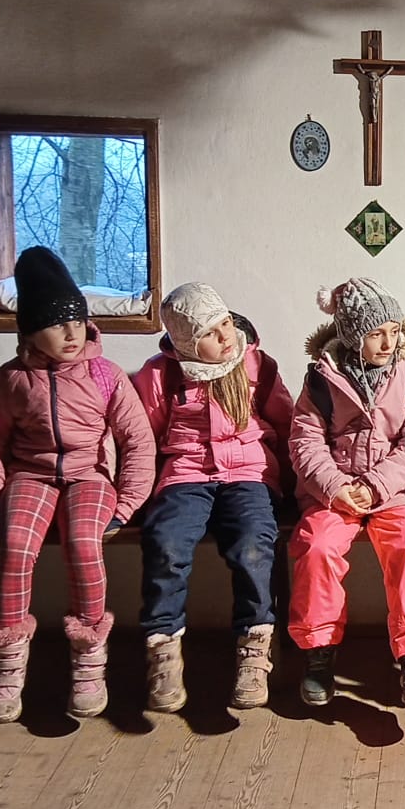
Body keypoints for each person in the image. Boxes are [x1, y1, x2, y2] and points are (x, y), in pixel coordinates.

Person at [0, 247, 155, 724]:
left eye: (76, 321)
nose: (71, 334)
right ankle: (7, 665)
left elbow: (137, 439)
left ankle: (89, 662)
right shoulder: (13, 380)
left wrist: (127, 503)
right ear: (30, 331)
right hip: (30, 477)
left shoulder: (104, 375)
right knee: (15, 545)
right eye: (55, 325)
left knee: (84, 543)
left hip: (89, 477)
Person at [132, 282, 294, 715]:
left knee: (253, 545)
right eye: (209, 332)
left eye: (225, 323)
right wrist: (135, 496)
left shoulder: (257, 365)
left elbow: (286, 423)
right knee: (166, 542)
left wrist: (294, 487)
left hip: (249, 471)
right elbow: (143, 438)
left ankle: (254, 647)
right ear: (186, 343)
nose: (225, 336)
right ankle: (163, 649)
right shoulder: (159, 375)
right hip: (186, 473)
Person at [287, 278, 405, 709]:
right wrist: (336, 488)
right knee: (317, 546)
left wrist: (375, 485)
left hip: (396, 491)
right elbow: (305, 442)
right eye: (377, 334)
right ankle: (319, 651)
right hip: (334, 492)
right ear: (352, 335)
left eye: (394, 331)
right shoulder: (321, 379)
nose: (389, 343)